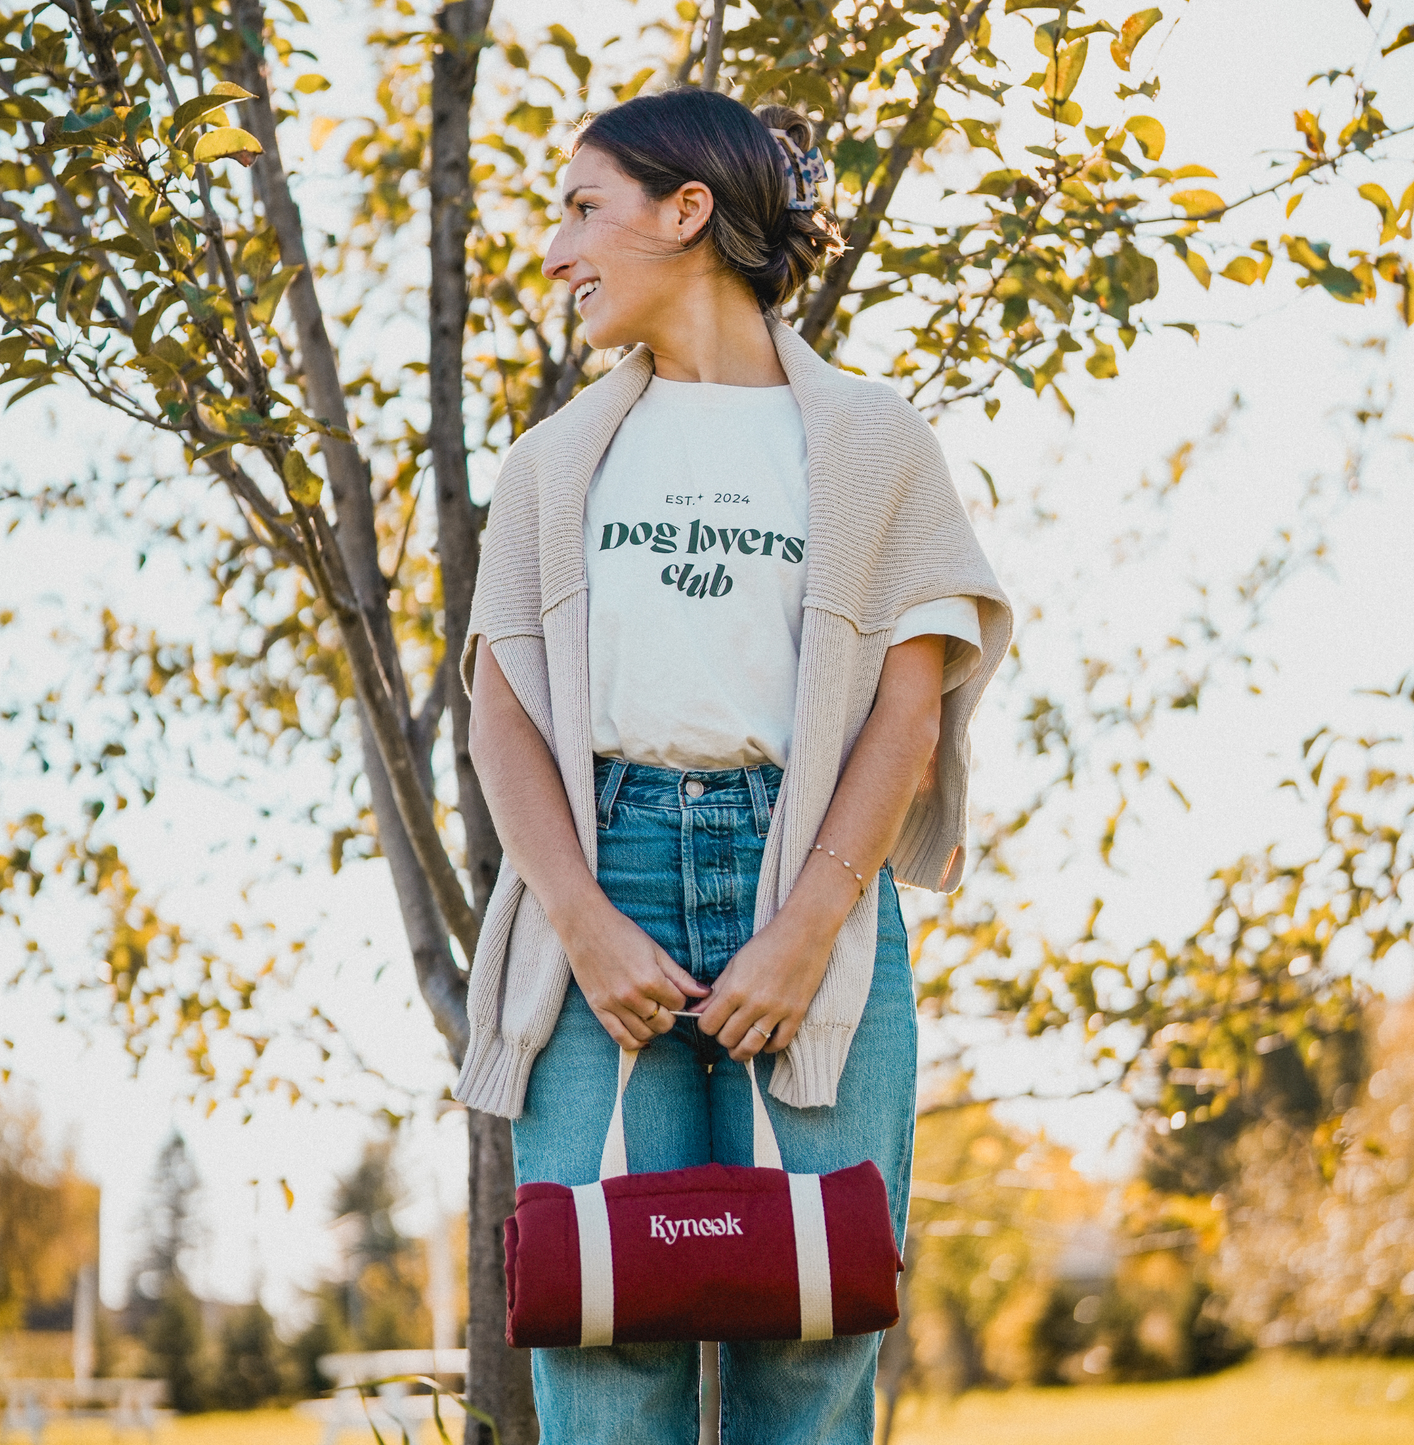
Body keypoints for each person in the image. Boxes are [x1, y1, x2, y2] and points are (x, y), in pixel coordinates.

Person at [456, 87, 1012, 1445]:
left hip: (810, 891)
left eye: (584, 209)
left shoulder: (872, 443)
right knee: (603, 1342)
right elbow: (500, 720)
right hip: (603, 894)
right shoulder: (551, 466)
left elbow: (908, 708)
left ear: (687, 212)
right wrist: (584, 928)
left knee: (813, 1344)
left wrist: (812, 924)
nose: (554, 249)